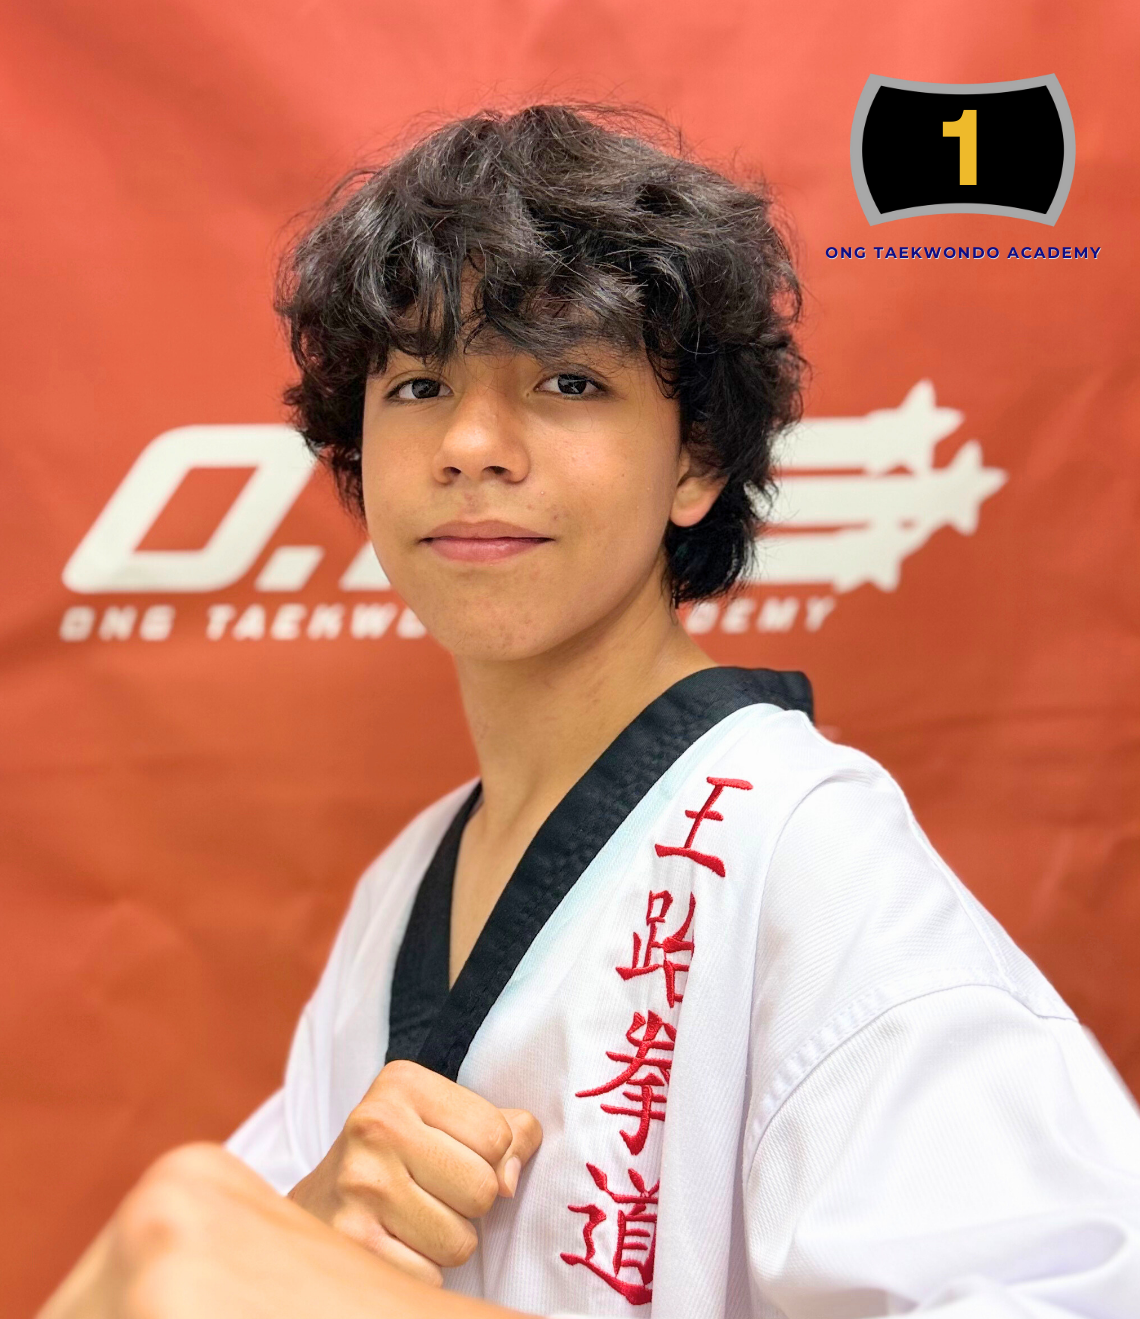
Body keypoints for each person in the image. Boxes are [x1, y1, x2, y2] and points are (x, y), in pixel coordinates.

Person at [40, 104, 1140, 1319]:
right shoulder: (403, 887)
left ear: (697, 461)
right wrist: (305, 1226)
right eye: (416, 383)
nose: (469, 443)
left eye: (567, 379)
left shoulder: (801, 842)